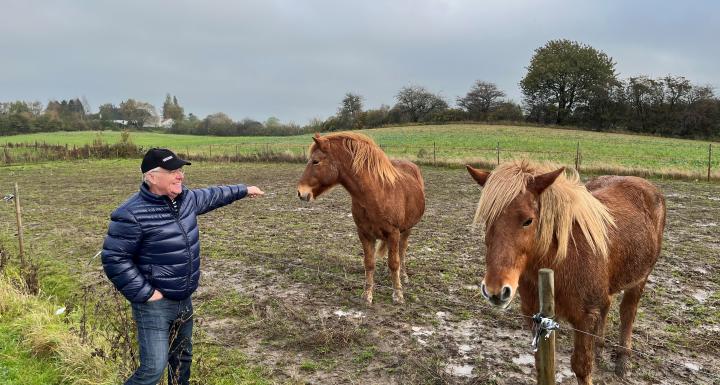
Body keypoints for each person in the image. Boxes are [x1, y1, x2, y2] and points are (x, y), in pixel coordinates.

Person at [101, 148, 264, 385]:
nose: (180, 176)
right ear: (152, 176)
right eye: (173, 171)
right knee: (152, 371)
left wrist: (244, 190)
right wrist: (147, 294)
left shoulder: (186, 199)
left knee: (181, 363)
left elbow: (214, 195)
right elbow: (114, 258)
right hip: (154, 306)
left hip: (184, 299)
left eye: (180, 170)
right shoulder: (131, 214)